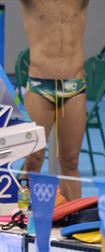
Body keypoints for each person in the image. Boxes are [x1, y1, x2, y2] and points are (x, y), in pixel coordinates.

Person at [19, 0, 89, 201]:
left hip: (74, 87)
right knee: (33, 159)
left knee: (71, 162)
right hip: (40, 87)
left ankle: (73, 220)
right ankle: (24, 218)